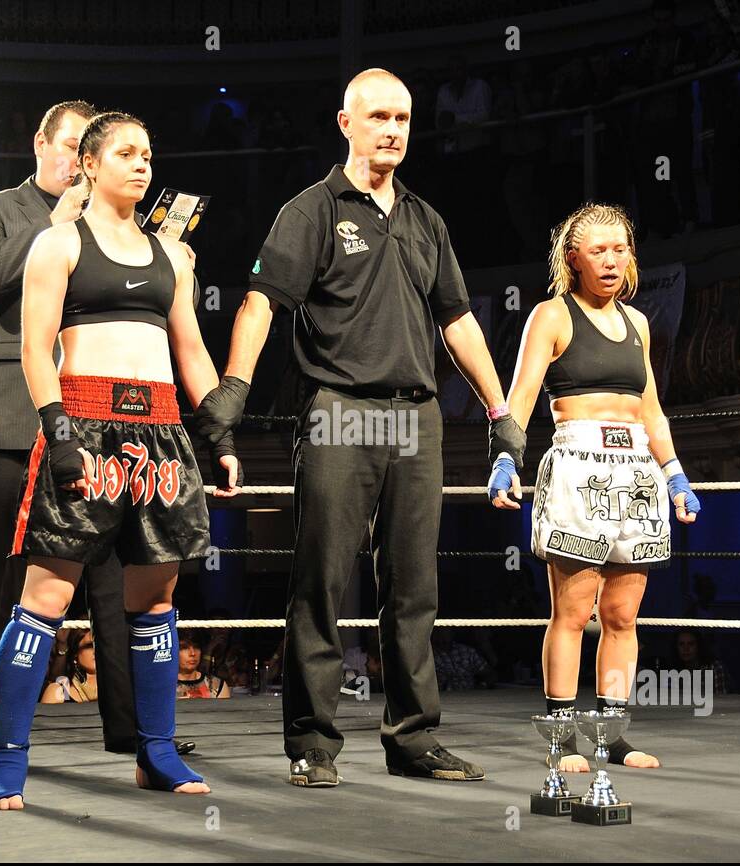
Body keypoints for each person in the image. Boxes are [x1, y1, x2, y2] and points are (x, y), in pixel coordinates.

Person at [192, 68, 510, 787]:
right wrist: (234, 388)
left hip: (417, 415)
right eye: (378, 117)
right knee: (323, 579)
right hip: (338, 407)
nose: (393, 129)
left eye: (402, 117)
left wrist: (501, 412)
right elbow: (261, 303)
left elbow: (458, 323)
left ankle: (414, 738)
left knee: (414, 586)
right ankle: (312, 741)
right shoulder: (310, 210)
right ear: (346, 123)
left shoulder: (427, 219)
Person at [0, 110, 240, 810]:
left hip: (160, 432)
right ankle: (6, 758)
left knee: (153, 600)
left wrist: (221, 436)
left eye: (148, 154)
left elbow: (190, 350)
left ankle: (154, 752)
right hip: (84, 423)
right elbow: (36, 347)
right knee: (45, 598)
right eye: (125, 152)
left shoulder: (173, 256)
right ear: (90, 164)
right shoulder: (56, 245)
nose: (142, 164)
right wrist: (57, 430)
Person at [0, 100, 189, 769]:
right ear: (44, 147)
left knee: (116, 583)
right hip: (10, 415)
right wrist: (55, 224)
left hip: (103, 420)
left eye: (91, 148)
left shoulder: (117, 221)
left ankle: (140, 736)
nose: (82, 162)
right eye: (74, 146)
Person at [489, 202, 701, 773]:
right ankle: (561, 737)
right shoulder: (551, 316)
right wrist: (506, 457)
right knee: (572, 611)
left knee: (623, 616)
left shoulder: (638, 323)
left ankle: (611, 734)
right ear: (573, 258)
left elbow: (650, 407)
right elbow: (524, 393)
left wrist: (675, 472)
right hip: (578, 464)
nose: (610, 261)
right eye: (598, 250)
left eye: (620, 249)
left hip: (635, 469)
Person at [42, 630, 98, 703]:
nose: (97, 650)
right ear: (76, 654)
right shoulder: (60, 691)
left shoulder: (116, 688)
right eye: (90, 645)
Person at [177, 632, 230, 699]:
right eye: (184, 648)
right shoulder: (163, 684)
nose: (193, 653)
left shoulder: (216, 685)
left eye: (196, 647)